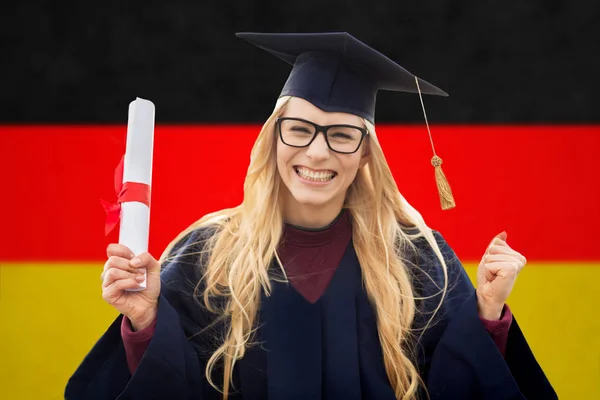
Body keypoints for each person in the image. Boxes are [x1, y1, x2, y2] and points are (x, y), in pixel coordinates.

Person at [65, 32, 557, 399]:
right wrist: (147, 322)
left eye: (342, 134)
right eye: (299, 129)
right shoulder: (207, 256)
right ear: (273, 137)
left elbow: (457, 385)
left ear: (366, 153)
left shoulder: (419, 261)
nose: (318, 153)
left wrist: (488, 314)